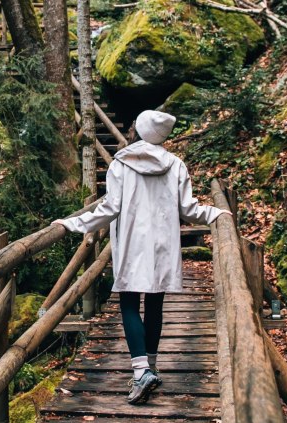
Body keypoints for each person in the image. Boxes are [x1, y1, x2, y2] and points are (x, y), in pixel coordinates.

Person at [52, 110, 231, 404]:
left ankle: (140, 372)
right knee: (155, 304)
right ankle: (150, 365)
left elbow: (109, 208)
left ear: (140, 131)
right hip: (162, 246)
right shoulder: (176, 165)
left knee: (129, 304)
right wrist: (215, 212)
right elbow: (188, 209)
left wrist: (72, 223)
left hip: (133, 244)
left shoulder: (121, 164)